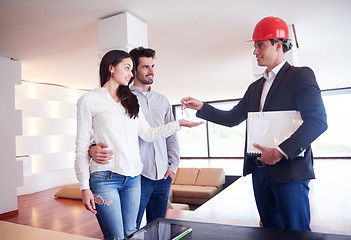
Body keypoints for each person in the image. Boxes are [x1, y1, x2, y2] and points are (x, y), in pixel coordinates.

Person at [181, 16, 327, 231]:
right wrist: (202, 107)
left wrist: (280, 151)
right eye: (255, 46)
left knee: (296, 231)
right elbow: (232, 119)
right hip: (260, 172)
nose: (255, 51)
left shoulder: (300, 75)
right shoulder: (255, 87)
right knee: (269, 230)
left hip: (289, 171)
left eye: (260, 45)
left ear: (278, 45)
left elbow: (317, 122)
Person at [75, 50, 202, 240]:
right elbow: (81, 145)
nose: (130, 73)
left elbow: (148, 134)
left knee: (131, 234)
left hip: (133, 178)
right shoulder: (89, 100)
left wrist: (178, 124)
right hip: (105, 179)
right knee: (116, 237)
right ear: (111, 68)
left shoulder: (131, 100)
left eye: (132, 69)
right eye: (127, 68)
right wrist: (84, 187)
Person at [89, 47, 181, 229]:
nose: (151, 71)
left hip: (163, 175)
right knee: (132, 229)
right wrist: (92, 148)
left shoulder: (163, 100)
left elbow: (170, 136)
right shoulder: (124, 98)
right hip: (137, 175)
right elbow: (103, 130)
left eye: (152, 66)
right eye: (145, 67)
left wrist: (173, 166)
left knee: (159, 227)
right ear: (134, 70)